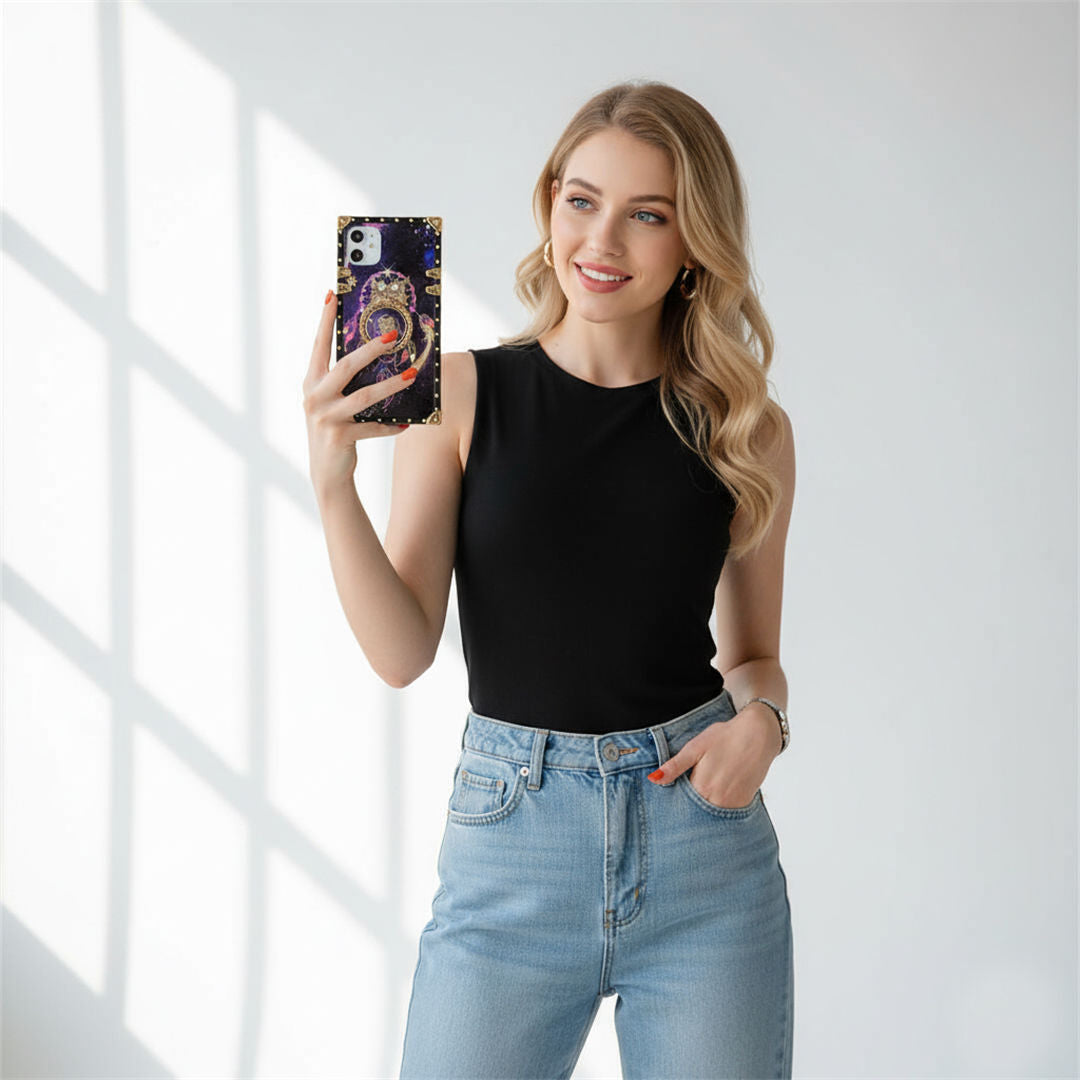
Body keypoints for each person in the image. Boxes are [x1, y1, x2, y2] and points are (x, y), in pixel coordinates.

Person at [303, 78, 795, 1079]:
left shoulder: (747, 430)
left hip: (704, 854)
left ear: (694, 241)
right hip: (512, 842)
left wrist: (763, 726)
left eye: (646, 214)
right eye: (582, 200)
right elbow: (401, 653)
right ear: (549, 205)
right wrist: (331, 480)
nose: (602, 242)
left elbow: (754, 658)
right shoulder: (462, 394)